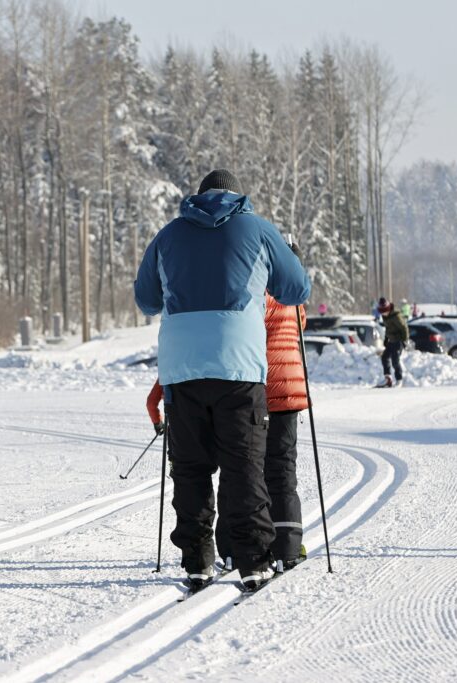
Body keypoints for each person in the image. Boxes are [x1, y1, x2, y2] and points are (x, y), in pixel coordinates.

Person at [134, 169, 310, 591]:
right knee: (244, 464)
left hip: (182, 369)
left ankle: (196, 560)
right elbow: (297, 289)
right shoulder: (257, 228)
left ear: (198, 197)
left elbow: (146, 299)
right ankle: (253, 562)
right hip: (239, 366)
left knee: (191, 468)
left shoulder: (168, 235)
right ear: (236, 196)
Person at [216, 292, 308, 572]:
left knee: (240, 466)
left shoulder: (253, 288)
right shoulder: (294, 296)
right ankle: (287, 548)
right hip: (290, 389)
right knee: (282, 471)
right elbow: (300, 325)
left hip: (256, 387)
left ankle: (233, 546)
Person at [378, 298, 410, 387]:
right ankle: (388, 378)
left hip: (399, 340)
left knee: (395, 360)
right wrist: (386, 339)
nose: (383, 313)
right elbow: (388, 328)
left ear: (388, 309)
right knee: (384, 357)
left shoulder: (396, 316)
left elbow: (404, 328)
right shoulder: (385, 316)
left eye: (385, 311)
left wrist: (405, 341)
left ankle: (399, 379)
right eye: (382, 312)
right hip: (391, 340)